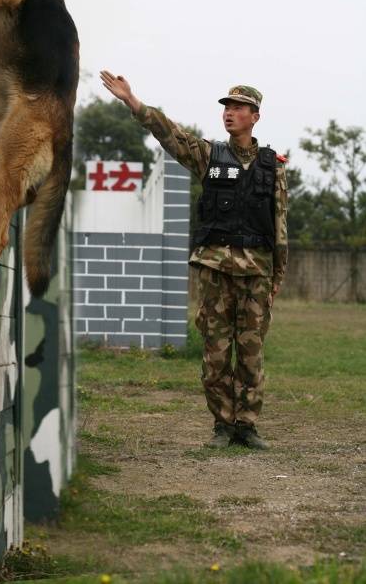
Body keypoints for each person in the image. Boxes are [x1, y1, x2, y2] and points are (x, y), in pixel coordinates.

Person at [100, 70, 288, 450]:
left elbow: (280, 224)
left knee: (250, 354)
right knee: (216, 352)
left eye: (239, 107)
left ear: (255, 116)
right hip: (215, 270)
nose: (230, 113)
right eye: (227, 107)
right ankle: (222, 425)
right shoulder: (209, 155)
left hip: (257, 274)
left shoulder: (274, 166)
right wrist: (133, 102)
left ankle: (247, 425)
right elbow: (171, 134)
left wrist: (278, 275)